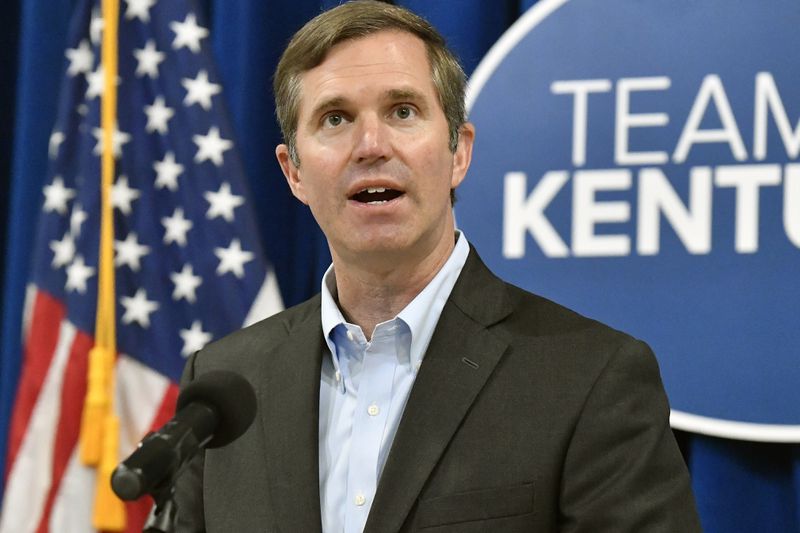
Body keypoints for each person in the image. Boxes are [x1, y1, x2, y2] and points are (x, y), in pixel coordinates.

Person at [174, 1, 702, 531]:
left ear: (458, 153)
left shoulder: (591, 377)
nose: (371, 146)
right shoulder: (224, 385)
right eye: (336, 119)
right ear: (294, 173)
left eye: (403, 111)